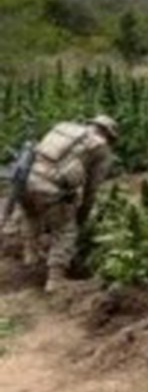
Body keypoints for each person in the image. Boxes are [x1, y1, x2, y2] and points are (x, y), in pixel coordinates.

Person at [19, 114, 119, 293]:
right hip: (49, 189)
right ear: (108, 135)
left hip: (24, 180)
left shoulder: (63, 126)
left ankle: (30, 258)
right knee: (66, 230)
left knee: (31, 215)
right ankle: (55, 281)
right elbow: (91, 189)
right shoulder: (100, 148)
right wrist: (82, 216)